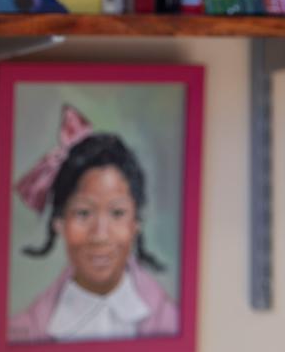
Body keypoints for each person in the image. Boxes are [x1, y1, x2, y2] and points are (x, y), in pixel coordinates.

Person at [9, 105, 177, 343]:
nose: (100, 235)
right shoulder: (25, 330)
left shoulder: (168, 320)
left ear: (136, 222)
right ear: (59, 222)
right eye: (83, 213)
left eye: (117, 213)